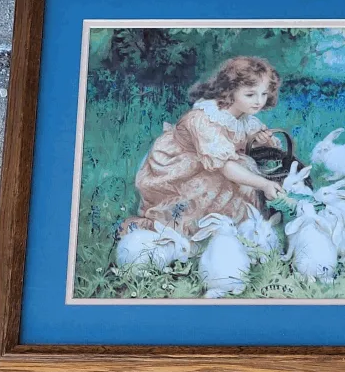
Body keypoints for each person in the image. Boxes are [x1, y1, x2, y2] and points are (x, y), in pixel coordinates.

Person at [122, 56, 285, 240]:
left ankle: (236, 230)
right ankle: (192, 231)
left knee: (243, 173)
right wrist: (263, 184)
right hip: (179, 167)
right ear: (230, 91)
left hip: (212, 163)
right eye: (250, 95)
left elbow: (242, 145)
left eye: (264, 94)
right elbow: (225, 165)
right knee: (219, 183)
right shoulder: (205, 118)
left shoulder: (245, 119)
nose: (259, 101)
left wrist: (258, 142)